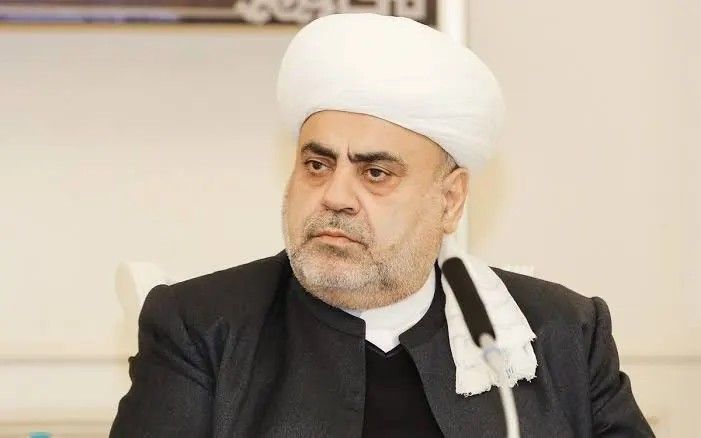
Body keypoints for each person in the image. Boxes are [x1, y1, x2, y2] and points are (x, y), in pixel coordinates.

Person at [110, 13, 654, 437]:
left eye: (375, 173)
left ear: (450, 200)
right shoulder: (200, 328)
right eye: (317, 165)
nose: (335, 196)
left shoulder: (563, 333)